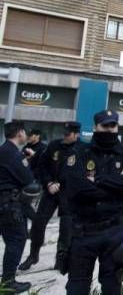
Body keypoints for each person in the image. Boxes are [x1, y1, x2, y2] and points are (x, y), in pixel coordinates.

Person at [64, 110, 123, 294]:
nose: (109, 129)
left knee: (113, 285)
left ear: (117, 127)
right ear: (95, 127)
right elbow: (76, 188)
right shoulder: (79, 152)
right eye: (104, 126)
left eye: (112, 125)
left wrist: (98, 180)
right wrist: (115, 190)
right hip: (84, 232)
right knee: (77, 287)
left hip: (116, 231)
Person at [19, 121, 81, 272]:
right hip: (50, 191)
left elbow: (84, 174)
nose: (64, 137)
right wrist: (48, 183)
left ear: (76, 134)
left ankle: (61, 260)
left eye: (68, 134)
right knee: (38, 223)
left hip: (68, 194)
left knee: (66, 228)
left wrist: (66, 183)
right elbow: (42, 165)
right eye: (63, 134)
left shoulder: (83, 149)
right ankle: (33, 255)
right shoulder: (53, 145)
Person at [0, 122, 40, 293]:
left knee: (11, 240)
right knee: (16, 240)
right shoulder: (15, 155)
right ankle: (8, 282)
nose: (26, 136)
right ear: (19, 133)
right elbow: (27, 179)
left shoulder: (3, 150)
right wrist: (27, 161)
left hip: (3, 203)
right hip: (10, 205)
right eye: (25, 132)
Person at [20, 129, 46, 223]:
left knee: (23, 203)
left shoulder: (43, 147)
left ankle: (37, 222)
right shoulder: (26, 147)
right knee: (22, 204)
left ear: (37, 136)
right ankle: (27, 228)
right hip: (25, 178)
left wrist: (34, 155)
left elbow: (44, 163)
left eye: (31, 135)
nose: (29, 137)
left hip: (36, 180)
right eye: (28, 135)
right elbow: (22, 161)